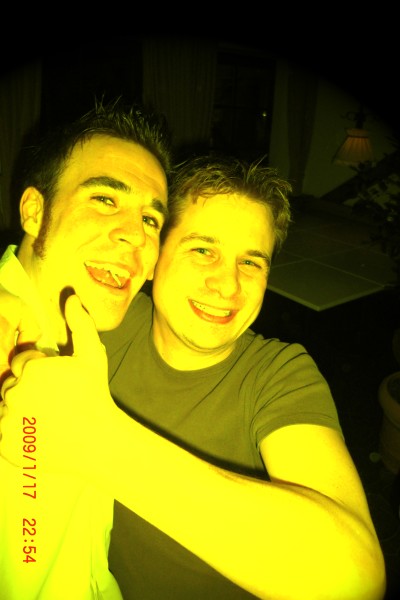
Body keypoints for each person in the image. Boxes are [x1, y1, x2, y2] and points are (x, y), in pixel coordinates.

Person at [1, 156, 386, 600]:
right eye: (203, 250)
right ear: (154, 257)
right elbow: (37, 268)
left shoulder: (279, 375)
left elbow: (354, 582)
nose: (228, 286)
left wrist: (96, 442)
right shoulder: (105, 325)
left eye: (251, 262)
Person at [0, 96, 171, 599]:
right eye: (105, 199)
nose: (135, 236)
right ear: (35, 212)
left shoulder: (94, 334)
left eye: (152, 220)